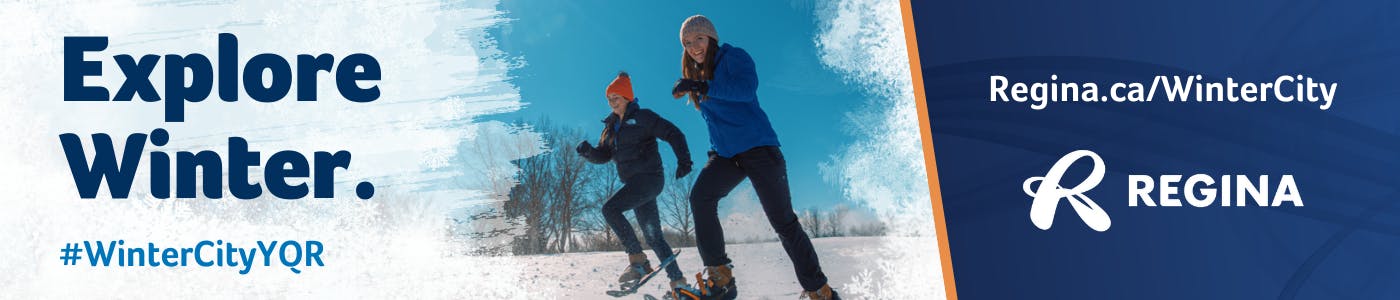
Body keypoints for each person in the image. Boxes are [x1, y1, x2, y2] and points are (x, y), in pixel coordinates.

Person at [667, 15, 840, 300]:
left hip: (759, 149)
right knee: (700, 197)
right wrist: (698, 88)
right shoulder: (697, 76)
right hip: (726, 156)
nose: (694, 46)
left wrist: (703, 87)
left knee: (783, 222)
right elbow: (716, 122)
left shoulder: (733, 57)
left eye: (699, 38)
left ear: (711, 37)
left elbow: (746, 91)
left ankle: (819, 291)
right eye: (687, 43)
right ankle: (720, 279)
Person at [577, 71, 695, 291]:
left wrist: (684, 160)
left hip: (650, 179)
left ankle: (637, 260)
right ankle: (679, 282)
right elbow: (604, 155)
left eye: (616, 98)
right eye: (609, 99)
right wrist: (588, 152)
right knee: (653, 237)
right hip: (635, 186)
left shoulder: (643, 118)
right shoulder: (610, 129)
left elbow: (673, 133)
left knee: (610, 210)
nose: (612, 102)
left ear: (627, 98)